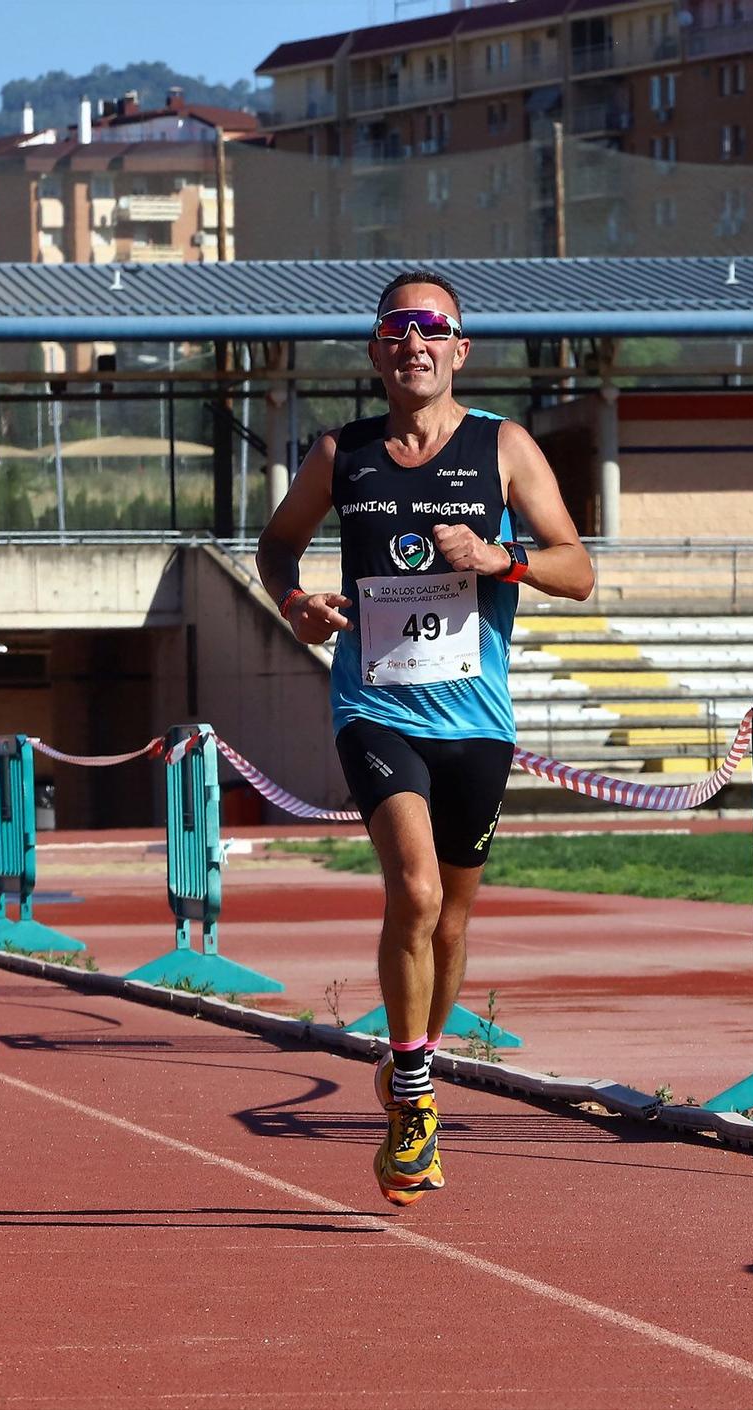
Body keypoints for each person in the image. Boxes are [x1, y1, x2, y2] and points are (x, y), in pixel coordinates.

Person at [256, 270, 593, 1207]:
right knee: (410, 889)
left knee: (450, 919)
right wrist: (294, 602)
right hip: (376, 707)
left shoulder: (503, 448)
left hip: (477, 718)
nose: (413, 342)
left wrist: (499, 557)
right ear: (376, 350)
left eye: (430, 327)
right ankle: (411, 1095)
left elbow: (578, 568)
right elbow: (276, 544)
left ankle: (419, 1056)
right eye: (395, 328)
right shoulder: (342, 453)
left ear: (459, 347)